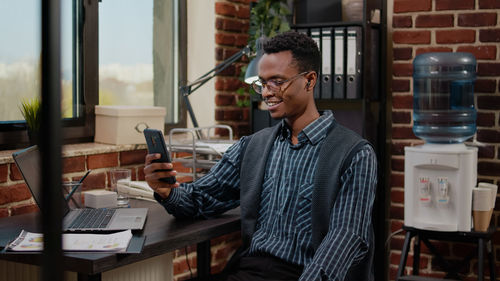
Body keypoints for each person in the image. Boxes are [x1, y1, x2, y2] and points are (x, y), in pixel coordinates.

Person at [144, 31, 377, 281]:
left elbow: (347, 237)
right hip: (249, 270)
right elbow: (202, 198)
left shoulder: (355, 155)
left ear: (309, 81)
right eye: (263, 83)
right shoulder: (253, 146)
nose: (266, 93)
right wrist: (166, 190)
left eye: (277, 82)